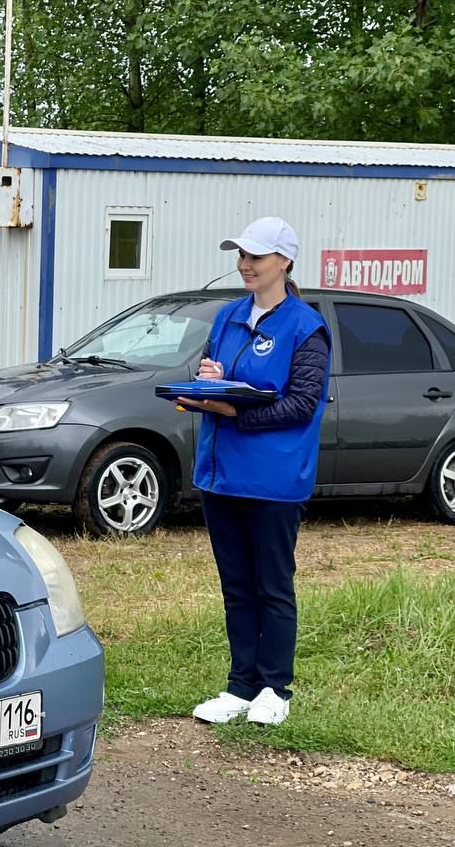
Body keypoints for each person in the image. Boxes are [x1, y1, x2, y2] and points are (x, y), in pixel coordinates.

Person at [178, 216, 330, 727]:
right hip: (221, 476)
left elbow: (303, 404)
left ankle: (275, 688)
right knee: (237, 585)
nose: (245, 265)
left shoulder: (305, 327)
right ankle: (240, 686)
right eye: (241, 255)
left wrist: (236, 414)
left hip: (273, 480)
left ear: (283, 263)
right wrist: (210, 381)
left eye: (256, 257)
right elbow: (211, 373)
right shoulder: (225, 316)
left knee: (272, 585)